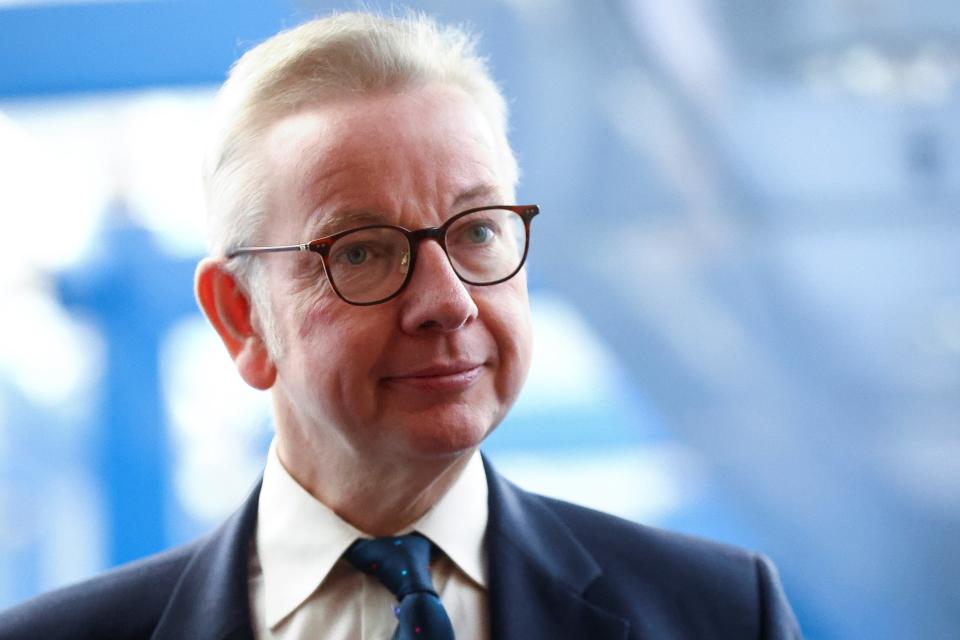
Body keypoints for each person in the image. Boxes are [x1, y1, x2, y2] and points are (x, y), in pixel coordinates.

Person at [0, 11, 802, 640]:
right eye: (362, 253)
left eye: (478, 231)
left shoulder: (723, 615)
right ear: (242, 319)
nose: (448, 302)